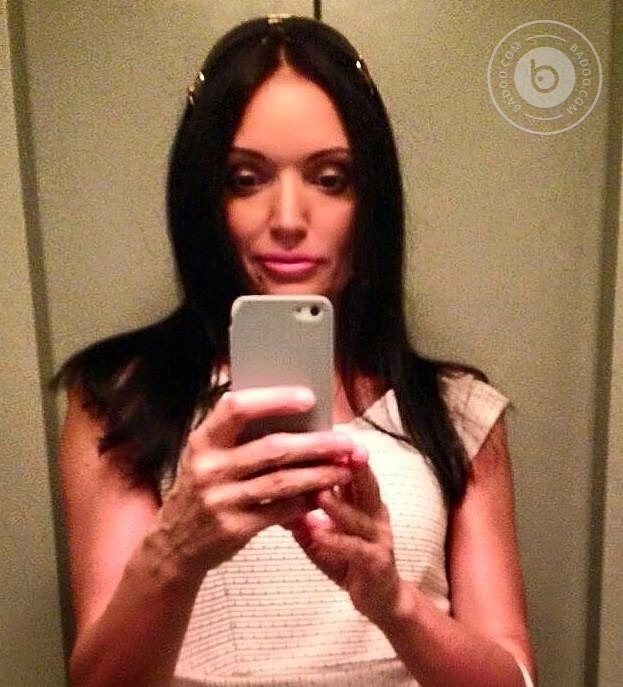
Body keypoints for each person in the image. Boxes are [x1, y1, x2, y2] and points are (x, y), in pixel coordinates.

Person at [56, 15, 536, 687]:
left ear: (370, 202)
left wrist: (392, 601)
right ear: (205, 199)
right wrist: (177, 550)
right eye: (245, 178)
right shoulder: (123, 397)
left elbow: (513, 679)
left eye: (330, 178)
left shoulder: (455, 412)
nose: (286, 218)